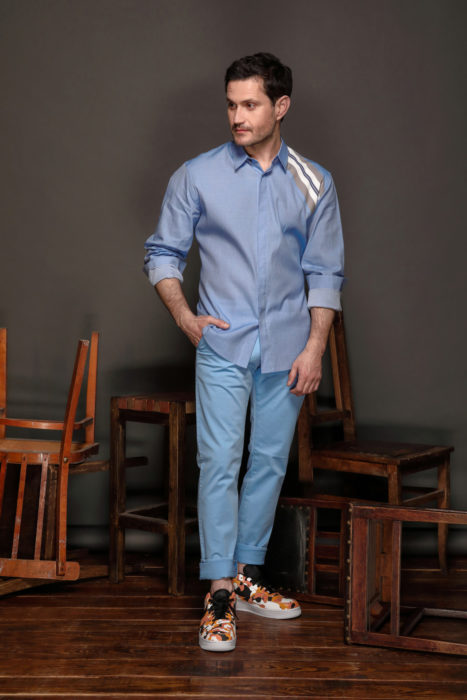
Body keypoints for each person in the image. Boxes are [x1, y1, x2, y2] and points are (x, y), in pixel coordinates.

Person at [143, 52, 344, 652]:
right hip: (222, 344)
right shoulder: (196, 175)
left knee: (269, 463)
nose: (238, 116)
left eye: (250, 104)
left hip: (289, 350)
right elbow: (162, 253)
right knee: (219, 463)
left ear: (281, 106)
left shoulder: (315, 181)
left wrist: (315, 348)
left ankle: (246, 578)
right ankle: (218, 596)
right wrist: (185, 317)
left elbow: (325, 271)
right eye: (232, 104)